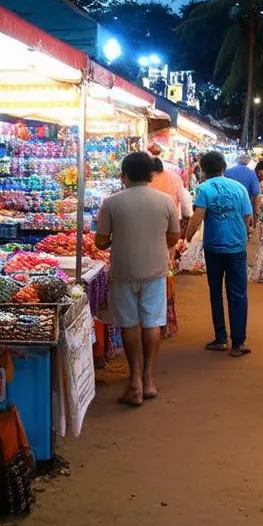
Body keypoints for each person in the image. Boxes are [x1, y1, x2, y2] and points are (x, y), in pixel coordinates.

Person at [95, 151, 181, 406]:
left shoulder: (111, 202)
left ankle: (134, 382)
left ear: (123, 176)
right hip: (155, 268)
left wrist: (118, 239)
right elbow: (174, 236)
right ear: (151, 175)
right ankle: (149, 379)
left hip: (123, 270)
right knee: (152, 322)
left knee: (129, 324)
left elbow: (100, 242)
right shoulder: (165, 201)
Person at [183, 150, 253, 357]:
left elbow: (197, 216)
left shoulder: (203, 188)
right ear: (223, 167)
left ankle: (221, 338)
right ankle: (238, 342)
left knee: (215, 292)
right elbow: (248, 218)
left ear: (203, 170)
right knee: (238, 293)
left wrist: (186, 238)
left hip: (214, 247)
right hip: (237, 247)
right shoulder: (239, 188)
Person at [225, 152, 262, 219]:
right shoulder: (251, 173)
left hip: (228, 208)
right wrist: (256, 213)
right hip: (245, 209)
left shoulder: (227, 172)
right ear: (248, 162)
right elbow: (256, 194)